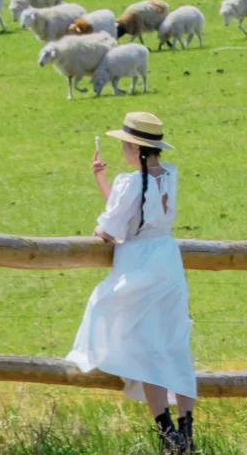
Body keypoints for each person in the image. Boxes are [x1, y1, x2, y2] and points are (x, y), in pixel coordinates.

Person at [67, 111, 197, 452]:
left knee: (137, 340)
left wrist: (98, 227)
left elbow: (113, 229)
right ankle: (186, 430)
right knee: (173, 341)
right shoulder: (169, 174)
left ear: (133, 146)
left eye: (124, 144)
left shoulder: (130, 182)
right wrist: (102, 182)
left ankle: (167, 432)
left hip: (139, 263)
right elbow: (139, 211)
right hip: (168, 260)